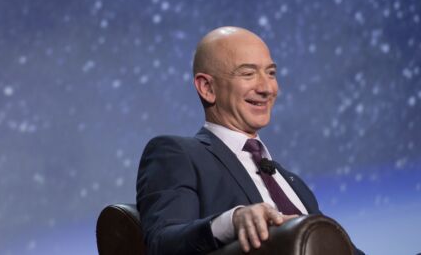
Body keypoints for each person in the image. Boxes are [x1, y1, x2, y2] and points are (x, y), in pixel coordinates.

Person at [136, 26, 361, 254]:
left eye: (271, 73)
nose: (266, 88)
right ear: (207, 87)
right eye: (248, 73)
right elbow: (162, 244)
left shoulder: (294, 184)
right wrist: (233, 221)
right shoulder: (178, 154)